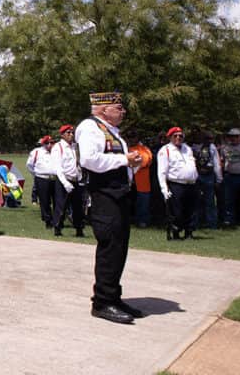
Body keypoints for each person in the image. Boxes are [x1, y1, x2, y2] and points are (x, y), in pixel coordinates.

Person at [77, 92, 144, 324]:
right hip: (103, 194)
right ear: (103, 109)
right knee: (110, 246)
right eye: (118, 107)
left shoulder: (112, 132)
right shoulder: (90, 127)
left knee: (119, 246)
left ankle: (113, 297)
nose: (123, 111)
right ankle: (103, 302)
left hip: (118, 193)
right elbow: (88, 159)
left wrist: (130, 164)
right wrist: (124, 160)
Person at [157, 127, 199, 240]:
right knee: (177, 211)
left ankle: (189, 232)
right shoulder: (165, 150)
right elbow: (162, 171)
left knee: (191, 210)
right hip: (176, 184)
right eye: (175, 136)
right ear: (170, 137)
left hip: (191, 183)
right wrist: (164, 189)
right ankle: (175, 232)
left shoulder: (187, 149)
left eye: (180, 136)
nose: (178, 138)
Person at [51, 124, 85, 237]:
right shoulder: (58, 147)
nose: (71, 135)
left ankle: (79, 229)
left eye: (72, 133)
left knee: (78, 207)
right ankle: (57, 228)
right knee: (61, 205)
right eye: (68, 133)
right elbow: (57, 167)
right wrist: (65, 183)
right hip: (64, 180)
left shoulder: (75, 147)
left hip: (76, 179)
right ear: (62, 135)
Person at [191, 131, 222, 230]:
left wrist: (218, 179)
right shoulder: (191, 147)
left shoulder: (212, 147)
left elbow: (216, 163)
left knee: (210, 201)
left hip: (209, 175)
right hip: (196, 175)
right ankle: (195, 223)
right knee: (196, 200)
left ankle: (212, 223)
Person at [26, 135, 56, 228]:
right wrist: (36, 174)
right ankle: (48, 221)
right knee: (45, 201)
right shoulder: (36, 152)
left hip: (55, 178)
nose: (50, 144)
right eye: (48, 143)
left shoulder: (56, 152)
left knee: (57, 200)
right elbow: (29, 165)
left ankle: (57, 220)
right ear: (43, 144)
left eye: (52, 142)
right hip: (42, 178)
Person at [126, 131, 153, 228]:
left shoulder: (144, 149)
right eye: (129, 137)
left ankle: (142, 221)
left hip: (142, 182)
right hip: (128, 181)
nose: (131, 139)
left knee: (143, 203)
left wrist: (131, 159)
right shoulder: (124, 148)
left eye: (133, 136)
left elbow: (145, 161)